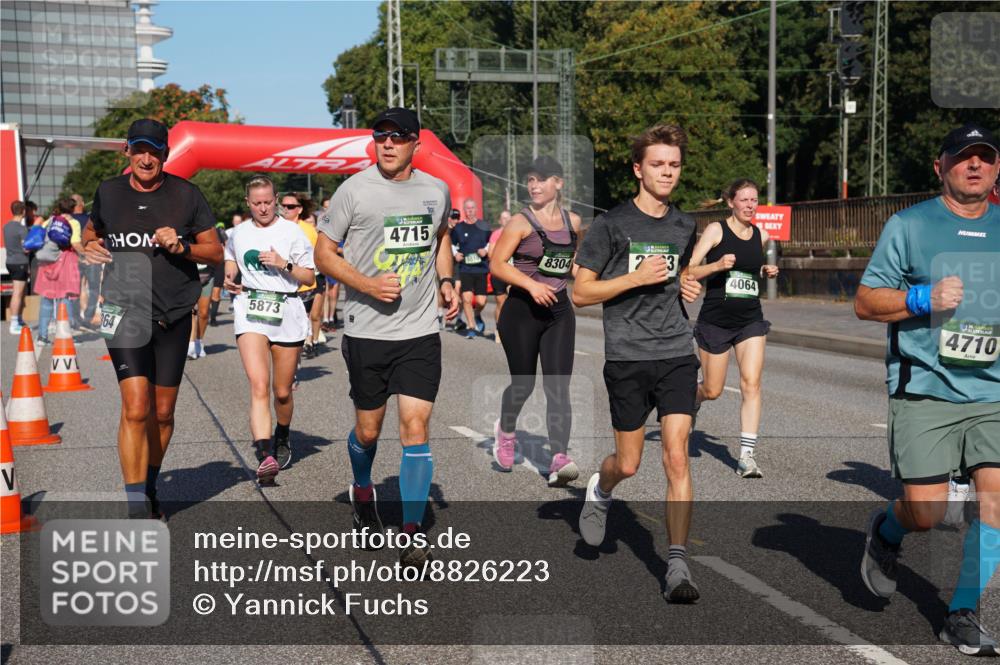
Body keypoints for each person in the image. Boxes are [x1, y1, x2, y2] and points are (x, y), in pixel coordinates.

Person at [857, 122, 1000, 656]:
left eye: (985, 158)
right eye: (964, 157)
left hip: (992, 393)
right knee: (927, 513)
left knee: (995, 505)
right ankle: (887, 532)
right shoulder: (909, 226)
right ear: (941, 166)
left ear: (996, 169)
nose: (975, 166)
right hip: (926, 390)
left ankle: (960, 613)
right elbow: (866, 302)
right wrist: (923, 298)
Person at [314, 107, 458, 566]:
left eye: (399, 137)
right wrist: (367, 285)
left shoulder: (437, 190)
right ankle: (362, 487)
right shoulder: (354, 191)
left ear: (417, 143)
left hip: (419, 331)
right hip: (367, 331)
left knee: (415, 427)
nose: (389, 144)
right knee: (368, 430)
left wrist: (449, 281)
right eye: (381, 137)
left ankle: (412, 531)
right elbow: (323, 254)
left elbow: (440, 242)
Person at [572, 124, 703, 602]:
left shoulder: (683, 225)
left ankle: (677, 565)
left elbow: (682, 275)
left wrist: (690, 284)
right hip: (627, 355)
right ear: (637, 169)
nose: (667, 172)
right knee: (628, 463)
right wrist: (632, 278)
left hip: (675, 352)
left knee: (676, 453)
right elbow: (581, 292)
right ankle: (601, 490)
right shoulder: (611, 225)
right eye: (657, 164)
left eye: (673, 165)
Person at [81, 118, 222, 519]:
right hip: (122, 309)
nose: (146, 158)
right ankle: (135, 504)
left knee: (163, 413)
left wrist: (182, 247)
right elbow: (91, 232)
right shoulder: (109, 192)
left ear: (165, 154)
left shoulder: (186, 195)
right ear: (127, 151)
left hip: (174, 312)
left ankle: (151, 483)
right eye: (139, 149)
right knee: (135, 406)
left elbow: (214, 253)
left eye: (155, 151)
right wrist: (86, 246)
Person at [489, 157, 581, 485]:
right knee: (524, 384)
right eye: (530, 179)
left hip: (558, 312)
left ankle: (559, 456)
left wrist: (590, 280)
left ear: (558, 183)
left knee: (558, 386)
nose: (534, 185)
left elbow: (573, 264)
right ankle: (506, 431)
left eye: (541, 179)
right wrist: (530, 284)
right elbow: (497, 264)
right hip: (521, 312)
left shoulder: (574, 221)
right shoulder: (519, 222)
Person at [686, 178, 780, 478]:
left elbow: (749, 270)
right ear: (731, 202)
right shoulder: (716, 230)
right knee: (713, 389)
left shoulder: (761, 234)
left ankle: (746, 456)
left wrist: (765, 270)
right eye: (744, 200)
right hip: (715, 320)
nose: (750, 206)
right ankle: (694, 400)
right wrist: (715, 266)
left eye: (755, 200)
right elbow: (689, 270)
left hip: (750, 319)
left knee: (751, 383)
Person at [224, 176, 315, 483]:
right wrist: (229, 276)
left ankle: (283, 434)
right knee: (259, 385)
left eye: (267, 202)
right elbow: (230, 258)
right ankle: (265, 456)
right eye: (256, 203)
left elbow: (308, 277)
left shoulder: (292, 232)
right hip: (250, 311)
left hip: (287, 310)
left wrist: (283, 264)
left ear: (276, 199)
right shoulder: (237, 233)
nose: (263, 208)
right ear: (247, 202)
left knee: (282, 391)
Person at [282, 192, 327, 358]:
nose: (286, 209)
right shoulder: (276, 227)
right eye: (283, 206)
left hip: (305, 281)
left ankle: (308, 342)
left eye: (291, 206)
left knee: (306, 315)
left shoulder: (308, 230)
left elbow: (318, 255)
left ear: (299, 209)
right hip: (281, 282)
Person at [34, 199, 83, 343]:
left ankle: (42, 336)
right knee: (65, 299)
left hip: (47, 262)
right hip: (65, 261)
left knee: (46, 300)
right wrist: (85, 254)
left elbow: (41, 237)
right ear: (73, 209)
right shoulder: (73, 223)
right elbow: (75, 242)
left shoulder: (49, 221)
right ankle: (65, 335)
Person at [451, 198, 491, 339]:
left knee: (481, 301)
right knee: (467, 299)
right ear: (464, 210)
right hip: (465, 268)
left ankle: (477, 314)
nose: (470, 211)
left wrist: (486, 250)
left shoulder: (484, 226)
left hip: (481, 268)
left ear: (476, 209)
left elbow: (491, 241)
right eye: (467, 208)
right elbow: (451, 243)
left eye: (472, 208)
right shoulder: (459, 228)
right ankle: (471, 327)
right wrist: (456, 254)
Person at [71, 193, 102, 330]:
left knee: (77, 289)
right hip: (91, 257)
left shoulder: (67, 220)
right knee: (94, 288)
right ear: (81, 204)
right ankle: (88, 317)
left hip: (72, 259)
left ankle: (78, 318)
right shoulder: (89, 219)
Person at [487, 209, 512, 344]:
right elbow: (490, 254)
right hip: (499, 272)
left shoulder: (517, 232)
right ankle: (499, 329)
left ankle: (514, 329)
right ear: (500, 221)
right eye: (503, 218)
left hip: (513, 273)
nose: (506, 220)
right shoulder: (496, 234)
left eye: (508, 218)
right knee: (501, 302)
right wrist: (504, 256)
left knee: (515, 301)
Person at [4, 201, 29, 334]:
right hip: (20, 261)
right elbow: (26, 248)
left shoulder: (6, 226)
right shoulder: (22, 228)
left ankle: (18, 319)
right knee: (18, 292)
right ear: (23, 211)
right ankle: (14, 324)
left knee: (21, 291)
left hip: (10, 261)